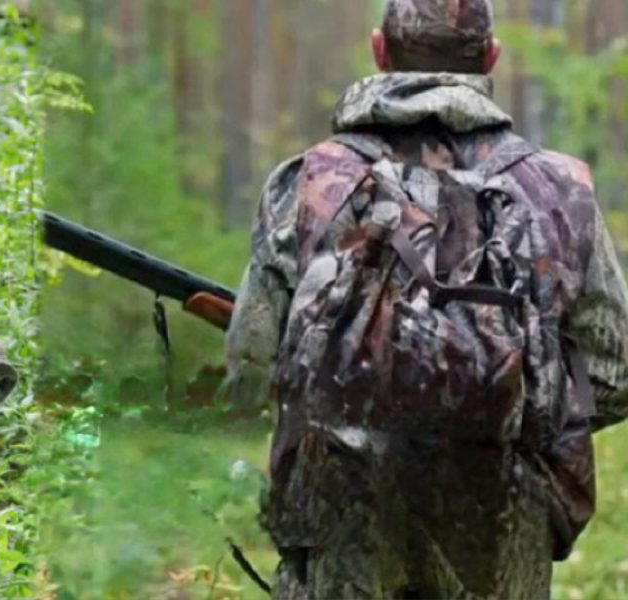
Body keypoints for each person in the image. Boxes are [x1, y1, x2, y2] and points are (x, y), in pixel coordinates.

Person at [222, 0, 628, 597]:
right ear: (490, 58)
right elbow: (614, 374)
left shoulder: (308, 182)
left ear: (379, 52)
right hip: (504, 527)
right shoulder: (560, 189)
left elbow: (250, 369)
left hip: (345, 528)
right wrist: (507, 408)